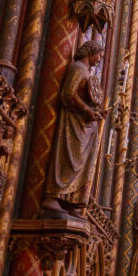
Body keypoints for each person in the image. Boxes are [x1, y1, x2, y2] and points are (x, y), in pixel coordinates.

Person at [42, 40, 104, 215]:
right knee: (68, 158)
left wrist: (94, 112)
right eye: (99, 54)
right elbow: (67, 94)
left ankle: (71, 201)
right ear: (90, 52)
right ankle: (53, 197)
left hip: (84, 125)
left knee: (81, 163)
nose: (100, 58)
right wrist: (86, 110)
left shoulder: (85, 71)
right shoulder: (78, 68)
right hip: (73, 124)